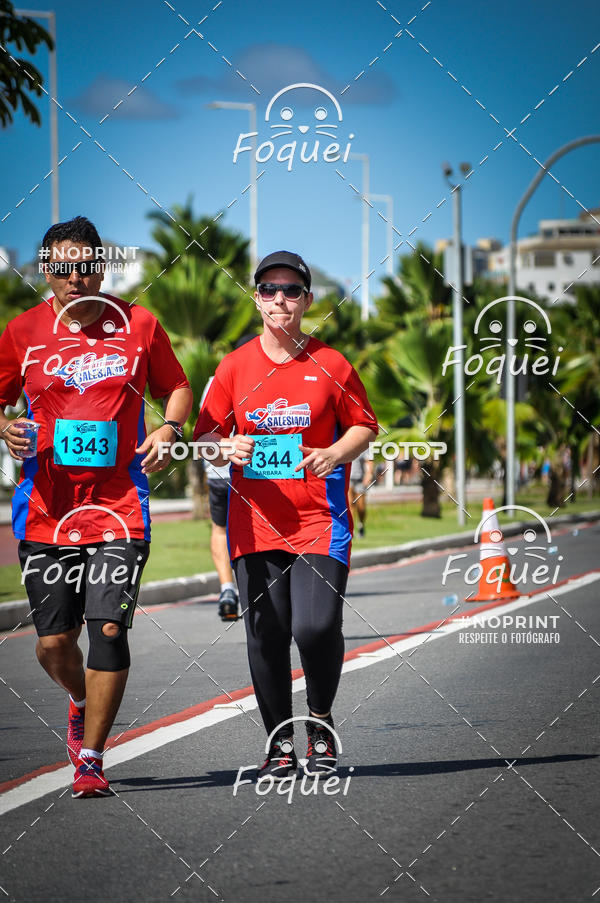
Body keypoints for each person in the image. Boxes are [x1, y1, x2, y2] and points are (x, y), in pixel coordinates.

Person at [0, 216, 192, 798]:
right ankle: (80, 700)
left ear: (100, 268)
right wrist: (5, 426)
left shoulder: (138, 325)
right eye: (62, 266)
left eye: (85, 265)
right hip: (46, 510)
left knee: (108, 626)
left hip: (119, 506)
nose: (74, 276)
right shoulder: (21, 333)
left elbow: (176, 388)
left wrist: (170, 429)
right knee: (54, 642)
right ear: (46, 271)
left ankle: (90, 757)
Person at [194, 250, 378, 779]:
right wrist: (223, 447)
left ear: (307, 300)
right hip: (254, 525)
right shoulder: (233, 366)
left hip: (320, 519)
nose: (280, 299)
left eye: (291, 290)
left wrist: (334, 454)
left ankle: (319, 720)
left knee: (317, 627)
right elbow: (205, 434)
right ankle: (279, 742)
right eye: (270, 290)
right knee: (267, 633)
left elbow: (364, 425)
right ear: (256, 299)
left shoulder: (333, 364)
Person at [200, 335, 256, 622]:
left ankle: (227, 589)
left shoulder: (215, 379)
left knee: (220, 529)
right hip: (251, 474)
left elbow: (205, 432)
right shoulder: (260, 375)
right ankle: (257, 590)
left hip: (219, 473)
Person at [348, 448, 374, 537]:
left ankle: (361, 524)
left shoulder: (364, 445)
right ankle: (351, 529)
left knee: (361, 506)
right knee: (350, 504)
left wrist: (369, 474)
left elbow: (369, 461)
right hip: (349, 478)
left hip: (360, 479)